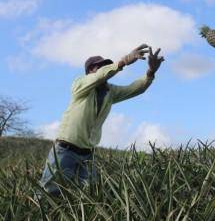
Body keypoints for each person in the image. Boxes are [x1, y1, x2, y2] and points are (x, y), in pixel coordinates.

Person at [39, 44, 165, 195]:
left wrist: (150, 72)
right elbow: (99, 76)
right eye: (101, 67)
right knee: (50, 192)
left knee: (90, 194)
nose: (106, 70)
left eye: (106, 66)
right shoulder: (80, 85)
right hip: (65, 150)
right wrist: (124, 61)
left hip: (87, 154)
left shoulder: (109, 92)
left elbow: (135, 89)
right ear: (90, 71)